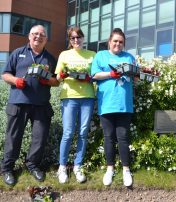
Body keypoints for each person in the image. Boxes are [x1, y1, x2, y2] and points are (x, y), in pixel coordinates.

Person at [0, 25, 59, 185]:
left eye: (42, 35)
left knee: (39, 139)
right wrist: (15, 81)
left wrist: (48, 80)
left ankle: (33, 165)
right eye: (35, 34)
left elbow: (56, 81)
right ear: (29, 36)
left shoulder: (50, 59)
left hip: (41, 104)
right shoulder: (18, 53)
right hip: (18, 103)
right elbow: (5, 74)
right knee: (13, 137)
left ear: (46, 39)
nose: (38, 37)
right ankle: (7, 169)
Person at [91, 28, 136, 187]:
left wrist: (137, 74)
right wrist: (111, 74)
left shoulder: (130, 57)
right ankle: (110, 168)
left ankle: (126, 169)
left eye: (121, 42)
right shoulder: (100, 56)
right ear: (109, 42)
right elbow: (94, 75)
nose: (118, 44)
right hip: (106, 104)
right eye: (115, 41)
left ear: (124, 44)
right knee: (109, 138)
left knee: (123, 138)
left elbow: (135, 78)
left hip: (124, 104)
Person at [55, 27, 96, 184]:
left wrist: (89, 79)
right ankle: (62, 166)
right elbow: (57, 77)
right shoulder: (64, 55)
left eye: (78, 37)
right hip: (69, 97)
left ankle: (78, 166)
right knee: (68, 132)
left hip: (87, 97)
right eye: (72, 38)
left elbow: (95, 77)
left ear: (83, 38)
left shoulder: (92, 55)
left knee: (83, 132)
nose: (76, 40)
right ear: (69, 40)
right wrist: (63, 75)